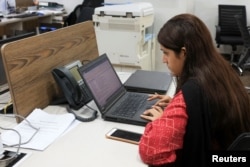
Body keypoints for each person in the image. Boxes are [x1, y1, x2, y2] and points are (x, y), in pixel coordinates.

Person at [138, 13, 250, 167]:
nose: (163, 59)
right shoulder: (219, 68)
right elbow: (211, 106)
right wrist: (175, 105)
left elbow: (152, 152)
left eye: (166, 53)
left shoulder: (192, 92)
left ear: (184, 53)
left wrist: (161, 122)